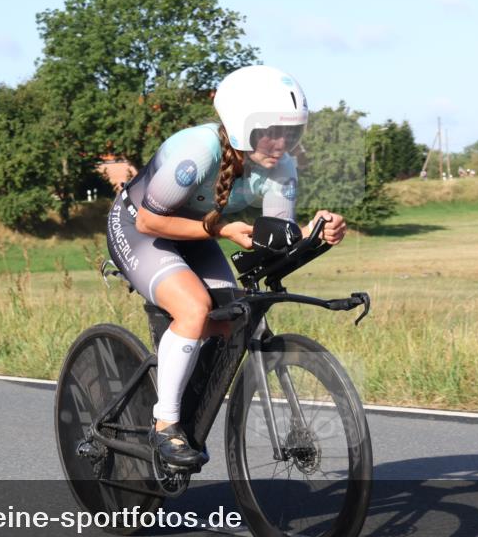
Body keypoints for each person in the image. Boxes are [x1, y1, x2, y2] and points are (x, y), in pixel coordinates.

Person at [105, 65, 348, 469]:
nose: (280, 142)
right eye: (270, 130)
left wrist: (314, 232)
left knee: (233, 319)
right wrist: (222, 228)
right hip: (140, 228)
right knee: (194, 308)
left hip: (200, 233)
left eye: (291, 132)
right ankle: (165, 424)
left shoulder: (281, 166)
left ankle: (183, 393)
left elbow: (275, 241)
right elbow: (150, 221)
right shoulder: (198, 151)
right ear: (239, 125)